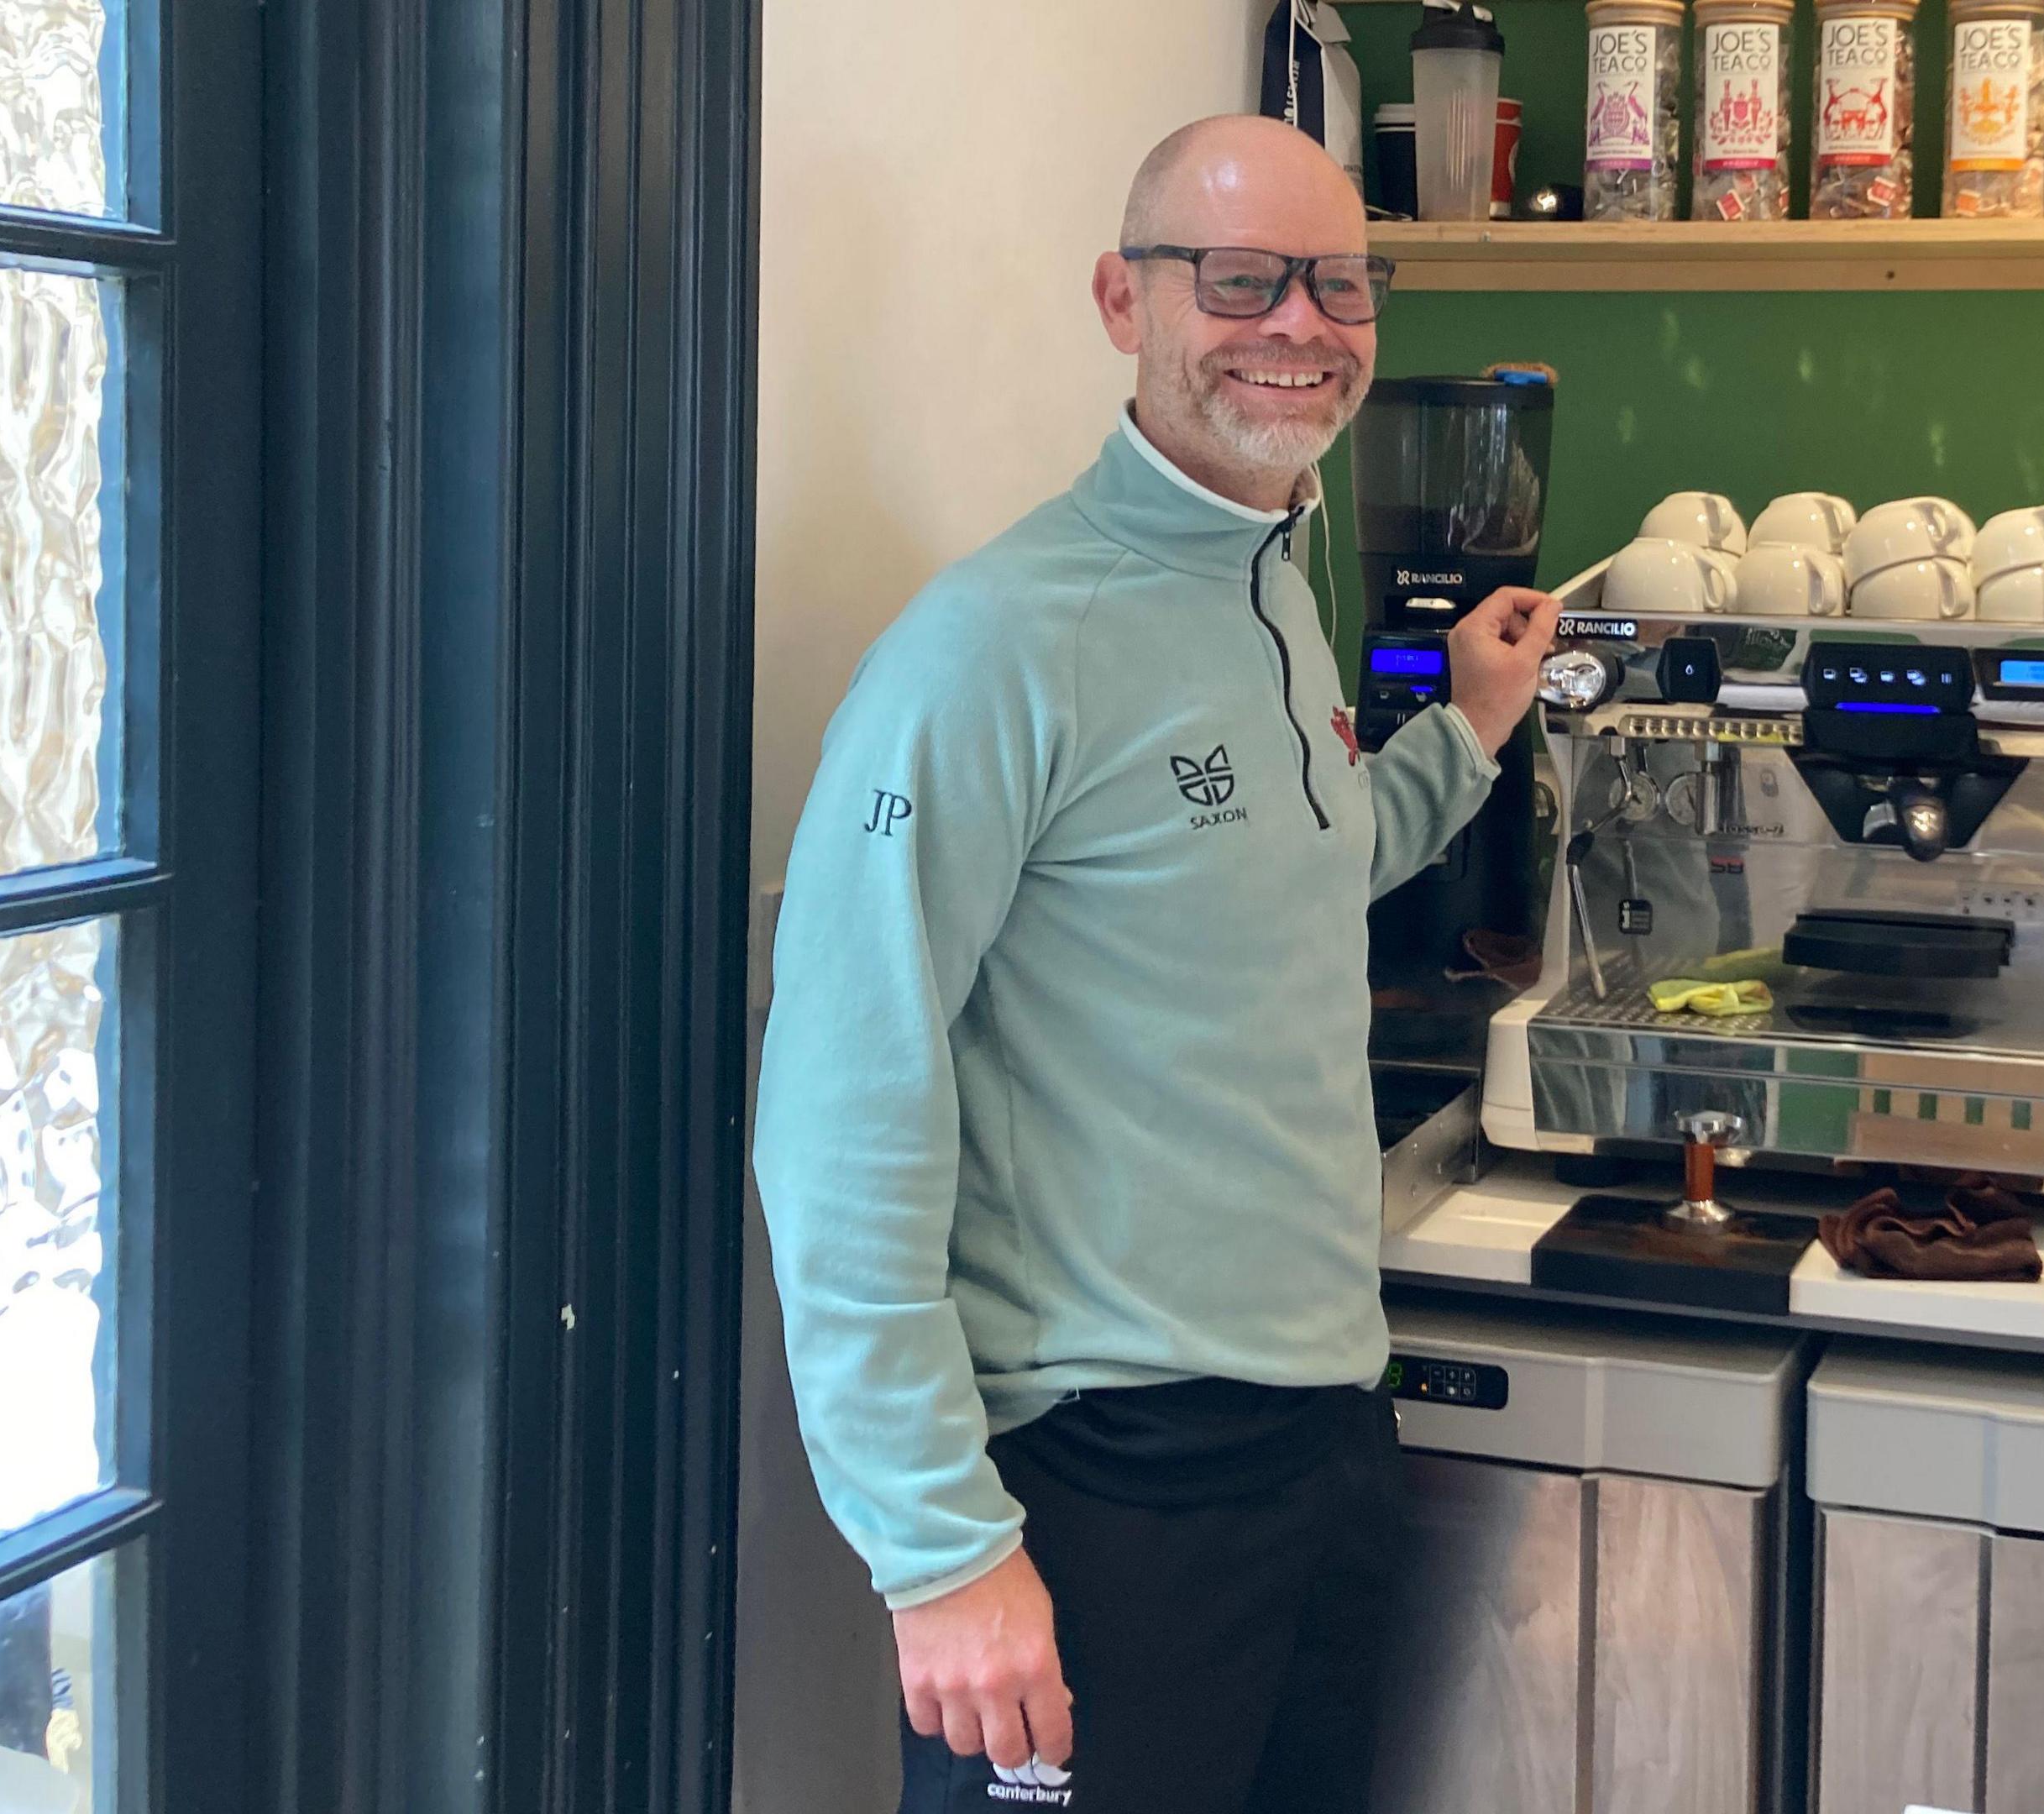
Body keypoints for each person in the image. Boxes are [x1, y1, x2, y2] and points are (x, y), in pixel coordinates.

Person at [753, 114, 1561, 1814]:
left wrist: (1468, 734)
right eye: (1243, 279)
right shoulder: (994, 645)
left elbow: (1292, 861)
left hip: (1327, 1435)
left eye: (1341, 283)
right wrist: (938, 1552)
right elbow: (840, 1111)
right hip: (1102, 1474)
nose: (1300, 326)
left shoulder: (1272, 593)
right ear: (1126, 301)